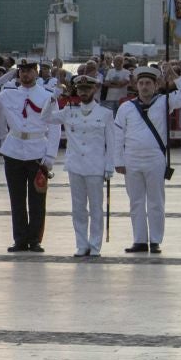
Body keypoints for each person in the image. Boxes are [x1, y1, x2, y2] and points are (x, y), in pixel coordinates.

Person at [113, 64, 181, 253]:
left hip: (155, 158)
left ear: (156, 85)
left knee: (156, 201)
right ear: (136, 85)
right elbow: (118, 136)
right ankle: (139, 240)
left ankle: (155, 240)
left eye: (148, 83)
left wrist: (174, 75)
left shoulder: (165, 102)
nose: (144, 86)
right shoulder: (126, 107)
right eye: (141, 83)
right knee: (136, 201)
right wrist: (118, 161)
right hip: (131, 159)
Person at [0, 58, 60, 252]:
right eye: (21, 71)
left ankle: (34, 239)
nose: (25, 75)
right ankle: (20, 239)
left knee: (37, 199)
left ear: (36, 73)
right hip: (13, 150)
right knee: (17, 198)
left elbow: (55, 127)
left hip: (38, 150)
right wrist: (1, 79)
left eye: (29, 71)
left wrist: (51, 155)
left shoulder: (47, 95)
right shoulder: (8, 94)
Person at [59, 73, 115, 257]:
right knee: (78, 208)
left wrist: (109, 166)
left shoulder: (105, 113)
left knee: (96, 207)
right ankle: (81, 244)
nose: (83, 92)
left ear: (95, 89)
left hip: (95, 166)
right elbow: (44, 117)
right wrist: (54, 96)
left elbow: (111, 142)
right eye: (80, 89)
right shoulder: (69, 111)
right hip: (75, 165)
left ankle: (95, 244)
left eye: (87, 88)